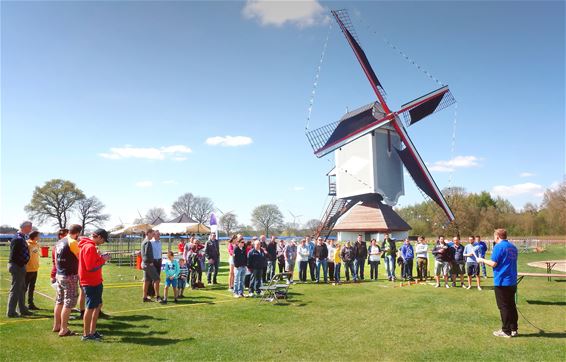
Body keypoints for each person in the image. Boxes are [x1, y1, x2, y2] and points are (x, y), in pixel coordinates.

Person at [477, 229, 518, 338]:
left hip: (502, 281)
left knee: (503, 307)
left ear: (498, 237)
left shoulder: (498, 247)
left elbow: (493, 263)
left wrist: (482, 260)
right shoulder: (513, 247)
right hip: (512, 281)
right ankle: (514, 329)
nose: (493, 238)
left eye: (494, 236)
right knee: (511, 306)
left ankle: (506, 331)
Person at [78, 228, 111, 341]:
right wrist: (103, 260)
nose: (103, 242)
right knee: (90, 307)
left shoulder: (90, 246)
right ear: (99, 237)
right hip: (90, 282)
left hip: (95, 281)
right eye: (103, 240)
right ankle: (86, 334)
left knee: (97, 305)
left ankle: (92, 331)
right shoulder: (89, 247)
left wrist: (100, 257)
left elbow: (93, 263)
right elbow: (91, 267)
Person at [53, 224, 82, 336]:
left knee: (59, 300)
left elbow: (56, 260)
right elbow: (80, 257)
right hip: (70, 275)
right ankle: (64, 329)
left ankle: (57, 325)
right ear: (78, 233)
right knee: (69, 302)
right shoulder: (73, 242)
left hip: (60, 274)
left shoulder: (60, 241)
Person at [7, 221, 33, 318]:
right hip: (17, 266)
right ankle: (11, 312)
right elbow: (13, 256)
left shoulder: (22, 237)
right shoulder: (17, 238)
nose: (31, 229)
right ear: (25, 227)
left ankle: (23, 309)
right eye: (30, 227)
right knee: (16, 289)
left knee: (22, 288)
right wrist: (21, 264)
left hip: (20, 266)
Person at [141, 229, 161, 302]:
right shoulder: (148, 242)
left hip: (145, 264)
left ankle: (145, 297)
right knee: (157, 279)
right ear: (148, 233)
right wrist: (150, 262)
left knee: (146, 280)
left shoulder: (144, 241)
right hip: (148, 264)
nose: (153, 235)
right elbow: (146, 254)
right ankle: (157, 297)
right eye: (152, 233)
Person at [25, 230, 41, 310]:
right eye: (38, 235)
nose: (39, 237)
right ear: (35, 236)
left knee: (32, 287)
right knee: (24, 288)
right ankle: (21, 305)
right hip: (28, 269)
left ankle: (30, 304)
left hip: (35, 269)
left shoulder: (37, 244)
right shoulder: (27, 244)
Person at [151, 230, 163, 295]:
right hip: (153, 261)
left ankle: (154, 292)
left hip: (159, 261)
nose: (159, 236)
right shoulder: (151, 242)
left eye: (159, 234)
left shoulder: (160, 242)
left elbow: (160, 251)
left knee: (157, 277)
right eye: (158, 234)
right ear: (154, 235)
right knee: (155, 278)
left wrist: (161, 259)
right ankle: (153, 293)